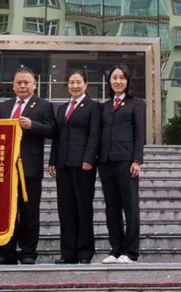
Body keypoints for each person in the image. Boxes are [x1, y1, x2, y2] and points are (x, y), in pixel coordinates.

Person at [0, 67, 56, 265]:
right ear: (13, 85)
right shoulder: (3, 107)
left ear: (34, 85)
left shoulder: (44, 106)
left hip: (30, 167)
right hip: (5, 168)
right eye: (19, 82)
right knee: (5, 212)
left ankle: (28, 253)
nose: (23, 86)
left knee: (29, 212)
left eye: (27, 82)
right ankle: (6, 253)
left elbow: (52, 130)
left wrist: (32, 125)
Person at [48, 70, 101, 264]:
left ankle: (85, 253)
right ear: (67, 85)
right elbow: (57, 136)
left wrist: (89, 158)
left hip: (83, 164)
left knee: (83, 208)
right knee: (66, 209)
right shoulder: (62, 108)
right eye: (72, 82)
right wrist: (53, 160)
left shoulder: (93, 106)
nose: (75, 86)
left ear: (85, 85)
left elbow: (95, 134)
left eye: (79, 82)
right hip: (63, 163)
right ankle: (68, 253)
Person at [98, 64, 145, 264]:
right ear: (109, 81)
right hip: (106, 162)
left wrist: (137, 160)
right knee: (112, 208)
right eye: (114, 78)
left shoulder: (136, 104)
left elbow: (140, 133)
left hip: (126, 161)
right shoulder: (105, 106)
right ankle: (115, 250)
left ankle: (130, 252)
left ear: (128, 81)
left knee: (130, 207)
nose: (118, 81)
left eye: (122, 78)